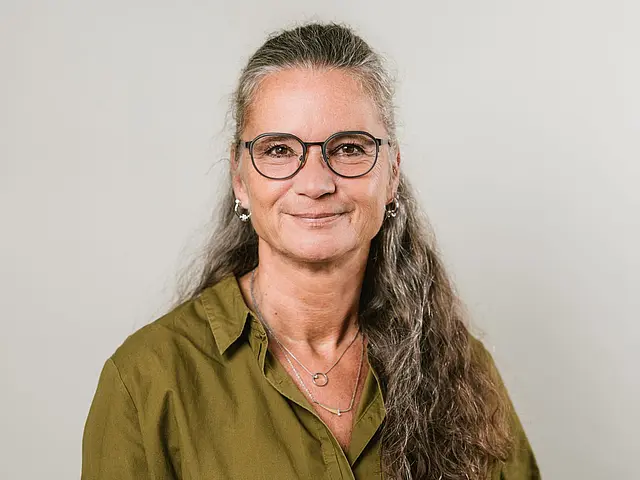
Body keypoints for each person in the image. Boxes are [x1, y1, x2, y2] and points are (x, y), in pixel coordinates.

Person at [82, 22, 540, 480]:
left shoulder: (462, 371)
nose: (316, 183)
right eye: (279, 150)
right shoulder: (147, 379)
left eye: (349, 148)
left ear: (392, 173)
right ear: (240, 178)